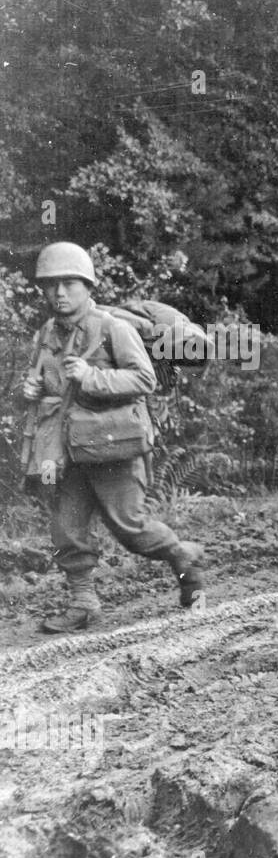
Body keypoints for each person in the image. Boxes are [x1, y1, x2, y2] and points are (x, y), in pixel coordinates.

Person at [21, 242, 205, 633]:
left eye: (69, 283)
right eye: (51, 285)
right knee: (65, 528)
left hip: (111, 448)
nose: (60, 293)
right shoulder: (47, 334)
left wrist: (92, 377)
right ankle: (84, 602)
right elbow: (48, 382)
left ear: (88, 286)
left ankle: (182, 556)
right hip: (65, 450)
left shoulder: (112, 329)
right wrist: (33, 390)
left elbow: (144, 379)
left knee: (131, 529)